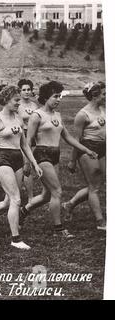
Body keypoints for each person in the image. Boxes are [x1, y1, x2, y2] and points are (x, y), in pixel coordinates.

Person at [21, 81, 98, 238]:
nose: (58, 99)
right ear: (46, 97)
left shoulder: (57, 115)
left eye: (60, 96)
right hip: (42, 154)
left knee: (47, 195)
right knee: (57, 191)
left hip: (55, 154)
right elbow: (28, 141)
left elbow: (68, 137)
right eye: (55, 96)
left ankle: (24, 211)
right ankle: (59, 229)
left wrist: (86, 149)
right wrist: (27, 163)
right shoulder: (36, 115)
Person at [0, 86, 42, 250]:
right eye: (16, 100)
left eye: (19, 100)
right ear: (6, 100)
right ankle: (16, 239)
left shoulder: (18, 118)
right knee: (16, 199)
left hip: (17, 158)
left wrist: (34, 163)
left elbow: (25, 145)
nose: (19, 103)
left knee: (8, 202)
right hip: (2, 158)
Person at [62, 82, 106, 230]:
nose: (106, 96)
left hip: (103, 148)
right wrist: (73, 161)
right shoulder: (82, 114)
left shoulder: (104, 108)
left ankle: (70, 204)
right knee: (94, 187)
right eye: (103, 94)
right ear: (94, 96)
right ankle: (100, 222)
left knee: (98, 184)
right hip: (88, 149)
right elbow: (76, 140)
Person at [17, 79, 38, 202]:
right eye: (24, 90)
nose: (26, 92)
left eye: (29, 89)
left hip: (33, 136)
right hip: (22, 136)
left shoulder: (34, 105)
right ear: (19, 91)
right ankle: (30, 197)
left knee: (31, 164)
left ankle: (27, 193)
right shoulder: (17, 105)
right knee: (26, 165)